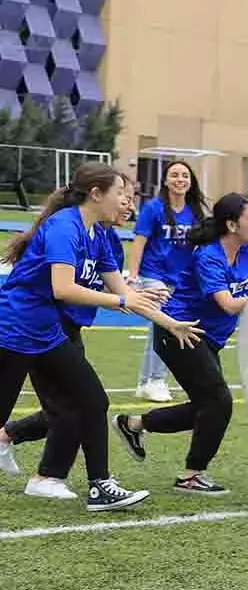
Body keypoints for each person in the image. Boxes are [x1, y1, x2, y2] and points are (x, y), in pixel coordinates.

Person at [0, 164, 194, 511]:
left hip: (45, 335)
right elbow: (63, 289)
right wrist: (121, 300)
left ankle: (100, 486)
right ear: (96, 194)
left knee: (92, 400)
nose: (127, 201)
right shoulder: (65, 227)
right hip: (12, 331)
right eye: (121, 192)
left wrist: (170, 323)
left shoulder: (99, 236)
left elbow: (125, 292)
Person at [115, 193, 248, 496]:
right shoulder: (209, 257)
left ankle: (133, 423)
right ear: (231, 224)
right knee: (218, 402)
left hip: (208, 339)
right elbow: (228, 305)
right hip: (179, 333)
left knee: (207, 406)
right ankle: (191, 475)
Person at [127, 161, 208, 403]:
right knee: (166, 326)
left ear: (191, 181)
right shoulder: (154, 208)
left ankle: (145, 382)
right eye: (174, 175)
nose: (180, 179)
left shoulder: (196, 212)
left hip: (180, 279)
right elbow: (139, 242)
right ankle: (156, 380)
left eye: (185, 175)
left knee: (160, 328)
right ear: (165, 181)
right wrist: (132, 276)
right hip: (154, 276)